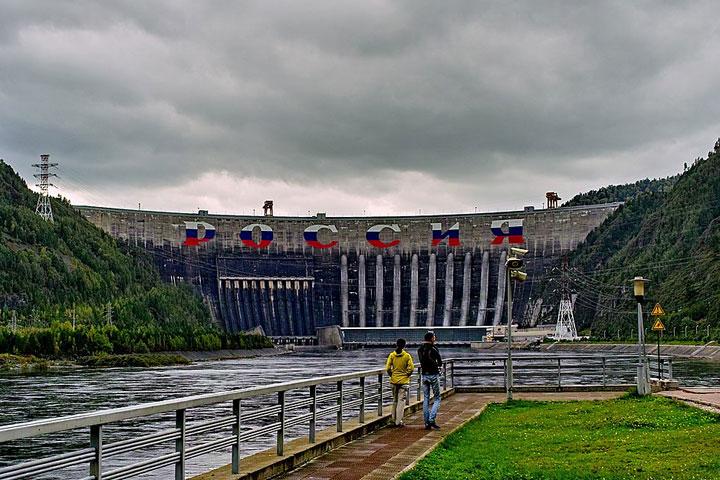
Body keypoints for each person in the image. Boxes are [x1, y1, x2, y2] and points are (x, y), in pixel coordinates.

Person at [385, 338, 414, 426]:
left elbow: (387, 368)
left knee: (394, 400)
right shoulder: (407, 356)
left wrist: (392, 375)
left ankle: (393, 420)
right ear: (404, 345)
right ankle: (399, 421)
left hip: (394, 381)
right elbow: (411, 368)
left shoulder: (392, 355)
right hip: (404, 381)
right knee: (401, 401)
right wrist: (407, 375)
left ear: (396, 344)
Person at [418, 331, 442, 430]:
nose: (435, 338)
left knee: (426, 398)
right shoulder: (434, 348)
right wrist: (436, 364)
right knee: (437, 398)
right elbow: (440, 362)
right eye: (434, 337)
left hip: (424, 375)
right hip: (433, 374)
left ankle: (426, 423)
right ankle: (432, 419)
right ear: (431, 338)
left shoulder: (420, 349)